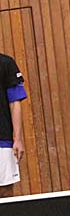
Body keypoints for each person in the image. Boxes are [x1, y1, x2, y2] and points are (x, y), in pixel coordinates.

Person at [0, 54, 27, 198]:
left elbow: (15, 102)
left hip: (2, 139)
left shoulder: (6, 63)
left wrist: (17, 139)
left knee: (4, 191)